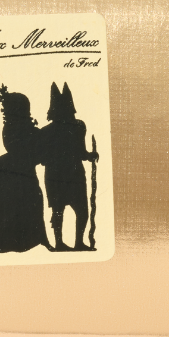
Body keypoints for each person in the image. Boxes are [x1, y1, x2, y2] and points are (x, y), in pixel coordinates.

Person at [0, 86, 50, 254]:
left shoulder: (12, 128)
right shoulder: (26, 130)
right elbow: (37, 156)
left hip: (11, 171)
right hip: (18, 173)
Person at [37, 82, 99, 251]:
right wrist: (90, 155)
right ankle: (70, 242)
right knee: (77, 210)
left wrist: (89, 155)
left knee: (62, 210)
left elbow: (42, 158)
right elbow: (81, 153)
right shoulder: (78, 126)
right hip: (71, 174)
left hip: (60, 175)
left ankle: (66, 242)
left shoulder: (47, 131)